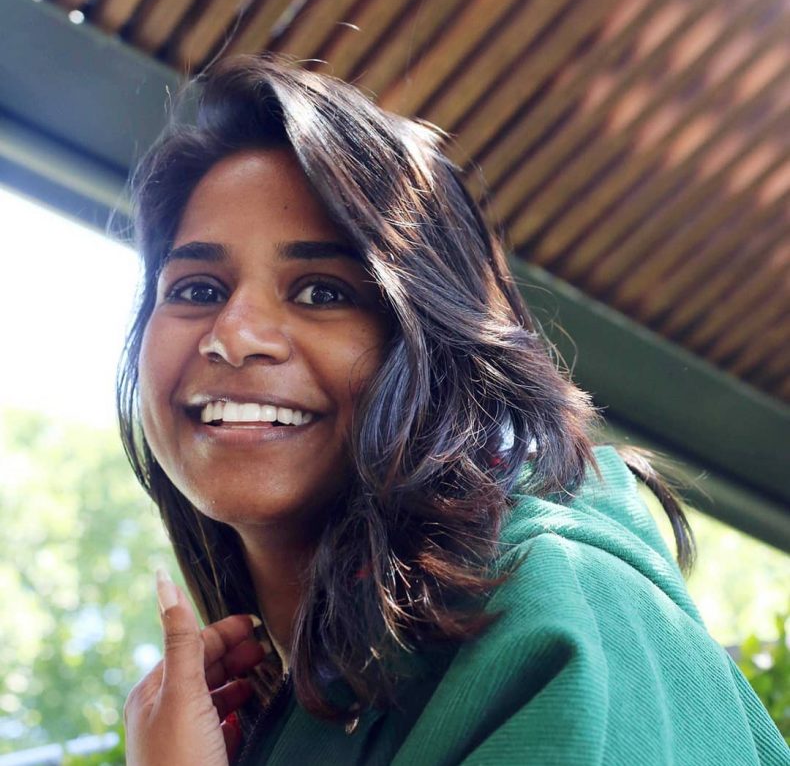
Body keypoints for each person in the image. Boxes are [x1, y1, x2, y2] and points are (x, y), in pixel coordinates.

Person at [118, 55, 787, 765]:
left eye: (321, 291)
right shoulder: (283, 715)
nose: (234, 336)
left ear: (433, 349)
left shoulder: (567, 610)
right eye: (195, 289)